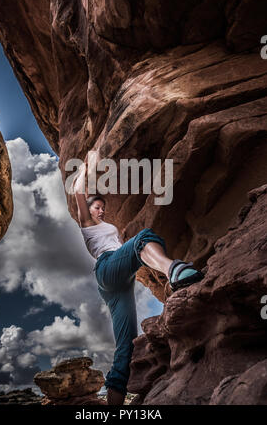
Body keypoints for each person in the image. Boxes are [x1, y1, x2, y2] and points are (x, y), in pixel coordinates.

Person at [73, 166, 204, 405]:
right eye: (96, 207)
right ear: (87, 210)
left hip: (118, 285)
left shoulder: (107, 229)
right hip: (106, 268)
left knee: (127, 345)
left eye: (103, 208)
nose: (100, 210)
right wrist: (85, 168)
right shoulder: (86, 223)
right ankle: (175, 270)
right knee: (143, 238)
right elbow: (77, 190)